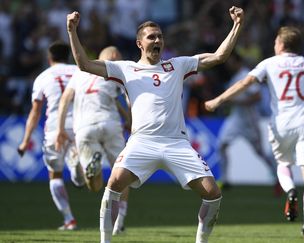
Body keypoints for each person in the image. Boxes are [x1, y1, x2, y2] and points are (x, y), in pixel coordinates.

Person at [66, 5, 244, 243]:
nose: (158, 40)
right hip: (141, 142)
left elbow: (218, 57)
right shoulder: (126, 68)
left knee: (213, 193)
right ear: (140, 43)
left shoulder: (177, 65)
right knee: (114, 184)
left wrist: (237, 25)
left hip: (176, 143)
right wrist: (72, 31)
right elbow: (84, 65)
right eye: (152, 37)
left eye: (160, 36)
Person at [205, 26, 304, 241]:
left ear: (281, 45)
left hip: (280, 124)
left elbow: (245, 83)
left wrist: (219, 100)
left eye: (275, 42)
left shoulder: (269, 63)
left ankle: (290, 191)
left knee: (283, 164)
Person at [55, 46, 132, 234]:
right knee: (123, 174)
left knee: (94, 186)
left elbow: (65, 98)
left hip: (84, 128)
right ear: (114, 57)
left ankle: (91, 170)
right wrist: (132, 120)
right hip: (110, 124)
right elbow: (129, 97)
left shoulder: (81, 72)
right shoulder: (115, 71)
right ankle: (119, 223)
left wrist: (60, 129)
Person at [17, 41, 85, 230]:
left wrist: (25, 141)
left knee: (54, 175)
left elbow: (35, 112)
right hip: (80, 125)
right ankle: (77, 169)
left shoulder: (43, 77)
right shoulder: (80, 71)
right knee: (78, 175)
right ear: (69, 57)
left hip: (56, 128)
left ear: (49, 59)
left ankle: (69, 219)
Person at [216, 52, 277, 190]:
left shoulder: (246, 76)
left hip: (250, 121)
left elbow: (257, 97)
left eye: (230, 61)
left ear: (237, 61)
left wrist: (237, 101)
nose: (228, 65)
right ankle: (225, 180)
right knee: (222, 145)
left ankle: (278, 177)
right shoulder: (235, 78)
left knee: (260, 152)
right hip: (236, 118)